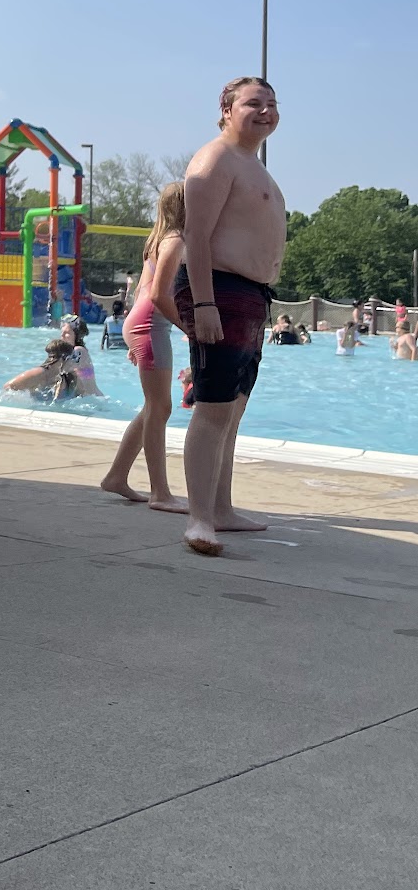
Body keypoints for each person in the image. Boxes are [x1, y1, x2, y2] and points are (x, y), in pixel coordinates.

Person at [173, 77, 286, 556]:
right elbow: (196, 236)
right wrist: (204, 304)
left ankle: (221, 508)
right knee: (214, 407)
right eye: (253, 103)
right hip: (219, 288)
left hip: (251, 294)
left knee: (233, 409)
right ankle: (199, 518)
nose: (265, 111)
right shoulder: (215, 159)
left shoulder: (251, 164)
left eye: (272, 103)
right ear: (225, 110)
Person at [101, 182, 187, 511]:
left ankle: (116, 476)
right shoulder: (175, 241)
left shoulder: (158, 239)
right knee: (160, 407)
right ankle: (160, 492)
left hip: (142, 325)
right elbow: (158, 296)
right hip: (150, 326)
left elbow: (140, 291)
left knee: (155, 406)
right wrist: (189, 329)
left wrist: (132, 336)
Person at [5, 337, 77, 400]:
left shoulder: (67, 378)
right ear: (62, 359)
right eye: (72, 358)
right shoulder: (39, 373)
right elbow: (8, 387)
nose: (73, 362)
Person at [58, 316, 102, 395]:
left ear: (77, 335)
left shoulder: (79, 351)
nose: (62, 335)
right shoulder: (69, 353)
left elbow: (60, 370)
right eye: (62, 332)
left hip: (93, 399)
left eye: (67, 333)